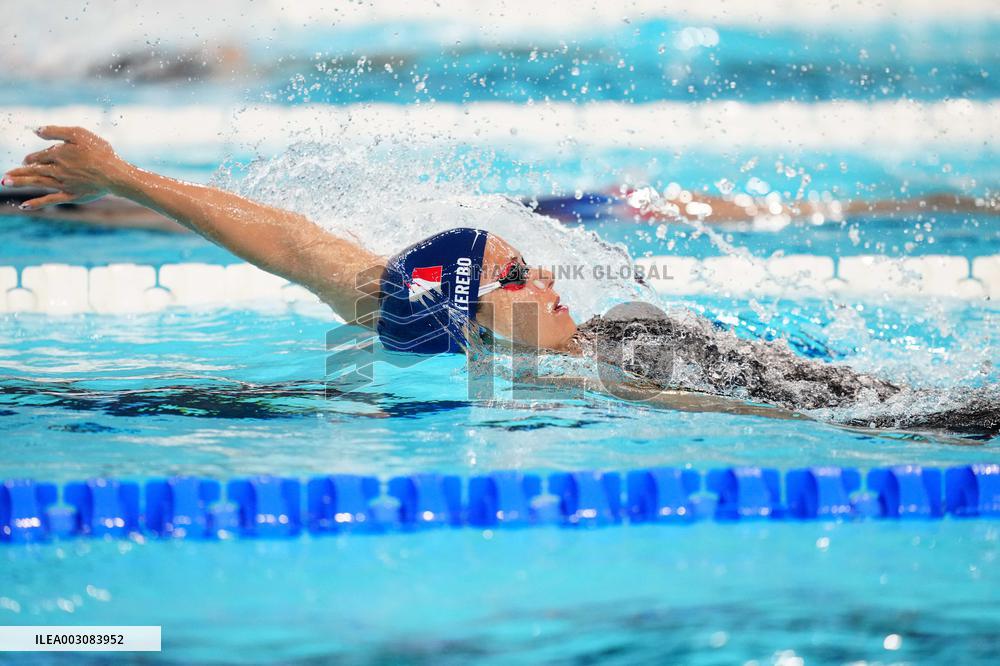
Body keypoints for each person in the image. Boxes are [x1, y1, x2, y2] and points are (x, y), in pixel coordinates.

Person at [4, 126, 997, 437]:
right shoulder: (604, 373)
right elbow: (804, 422)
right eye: (517, 281)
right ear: (475, 330)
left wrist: (127, 179)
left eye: (523, 264)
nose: (546, 280)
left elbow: (302, 247)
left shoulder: (418, 309)